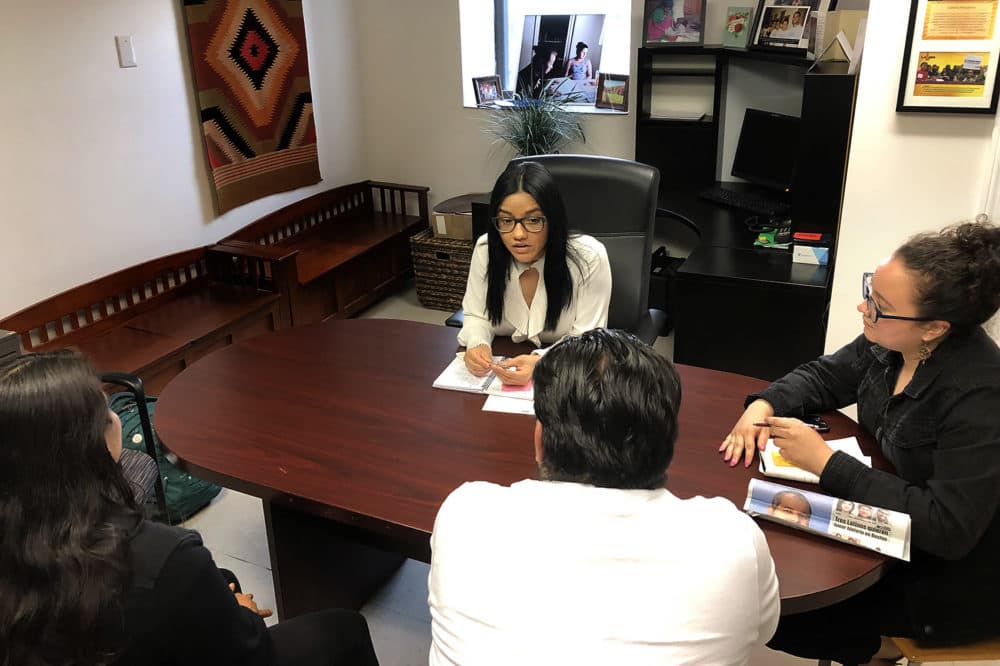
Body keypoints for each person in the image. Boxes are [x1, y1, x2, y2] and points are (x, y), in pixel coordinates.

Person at [719, 221, 1000, 664]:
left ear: (933, 328)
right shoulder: (891, 341)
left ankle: (882, 650)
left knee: (779, 612)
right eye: (870, 290)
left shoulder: (979, 393)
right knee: (760, 578)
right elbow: (826, 375)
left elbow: (949, 528)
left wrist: (826, 463)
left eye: (878, 305)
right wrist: (765, 405)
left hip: (945, 577)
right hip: (884, 526)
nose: (862, 307)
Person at [0, 350, 380, 666]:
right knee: (342, 629)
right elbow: (250, 654)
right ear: (84, 445)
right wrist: (242, 612)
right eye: (104, 413)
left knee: (223, 575)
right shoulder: (163, 557)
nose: (116, 417)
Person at [429, 328, 780, 665]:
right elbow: (764, 630)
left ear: (540, 441)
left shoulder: (464, 515)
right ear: (667, 445)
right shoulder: (732, 540)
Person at [458, 161, 612, 385]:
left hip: (567, 377)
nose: (518, 234)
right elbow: (476, 315)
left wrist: (541, 363)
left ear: (552, 220)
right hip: (500, 370)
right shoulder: (487, 250)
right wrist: (477, 343)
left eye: (533, 220)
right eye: (507, 220)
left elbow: (588, 339)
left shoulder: (589, 258)